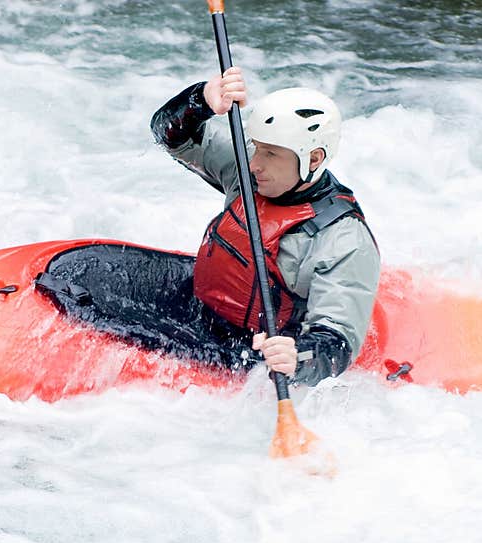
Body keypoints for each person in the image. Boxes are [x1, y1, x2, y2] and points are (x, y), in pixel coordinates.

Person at [150, 67, 380, 386]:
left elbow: (337, 342)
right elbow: (168, 134)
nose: (255, 163)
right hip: (207, 309)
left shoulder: (344, 241)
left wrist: (299, 357)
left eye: (270, 154)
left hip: (261, 347)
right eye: (257, 147)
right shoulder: (251, 167)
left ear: (313, 159)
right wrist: (200, 100)